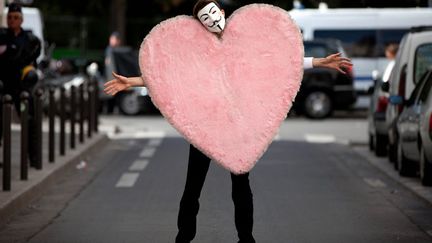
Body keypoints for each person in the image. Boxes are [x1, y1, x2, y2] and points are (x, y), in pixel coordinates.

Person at [104, 0, 352, 242]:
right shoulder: (199, 52)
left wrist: (319, 62)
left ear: (222, 11)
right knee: (193, 187)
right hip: (204, 127)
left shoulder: (244, 43)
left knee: (241, 186)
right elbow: (169, 75)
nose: (212, 20)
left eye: (213, 14)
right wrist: (133, 81)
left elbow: (277, 62)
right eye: (206, 19)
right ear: (202, 25)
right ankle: (184, 237)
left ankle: (246, 238)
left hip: (238, 127)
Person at [0, 3, 41, 167]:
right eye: (9, 17)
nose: (12, 21)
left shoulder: (30, 40)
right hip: (3, 85)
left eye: (15, 18)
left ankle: (33, 157)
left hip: (21, 88)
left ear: (21, 20)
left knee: (29, 120)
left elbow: (33, 62)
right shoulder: (2, 36)